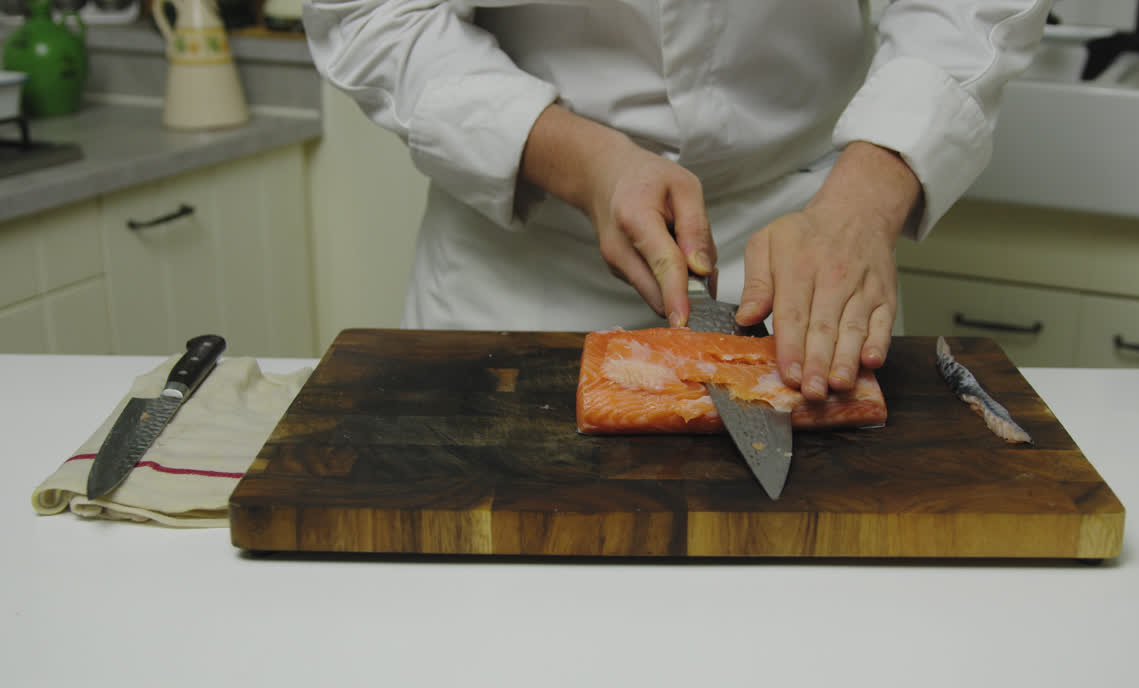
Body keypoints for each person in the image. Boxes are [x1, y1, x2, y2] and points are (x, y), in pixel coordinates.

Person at [302, 0, 1052, 400]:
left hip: (809, 243)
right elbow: (369, 14)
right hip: (522, 265)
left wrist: (864, 202)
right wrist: (582, 160)